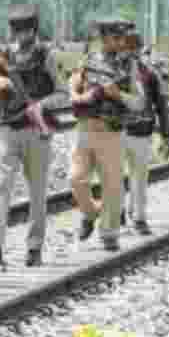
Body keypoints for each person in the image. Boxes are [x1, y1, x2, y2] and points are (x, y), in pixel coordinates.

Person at [0, 4, 67, 268]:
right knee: (0, 187)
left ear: (34, 29)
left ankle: (34, 247)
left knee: (37, 191)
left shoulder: (46, 55)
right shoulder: (5, 55)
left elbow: (63, 93)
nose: (19, 35)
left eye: (24, 29)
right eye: (15, 29)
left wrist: (41, 105)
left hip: (36, 131)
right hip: (8, 128)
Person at [68, 17, 147, 252]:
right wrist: (76, 95)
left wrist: (118, 96)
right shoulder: (88, 61)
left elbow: (140, 102)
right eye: (113, 37)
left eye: (119, 37)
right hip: (85, 129)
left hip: (111, 133)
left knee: (112, 186)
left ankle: (109, 234)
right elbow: (72, 84)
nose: (118, 42)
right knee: (75, 179)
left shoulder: (129, 66)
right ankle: (91, 213)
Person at [121, 27, 164, 236]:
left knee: (139, 177)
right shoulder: (113, 72)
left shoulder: (150, 74)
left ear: (139, 49)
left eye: (134, 48)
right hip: (118, 132)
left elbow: (161, 104)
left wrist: (166, 134)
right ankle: (121, 212)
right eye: (127, 48)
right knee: (117, 176)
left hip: (141, 132)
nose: (130, 52)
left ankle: (139, 217)